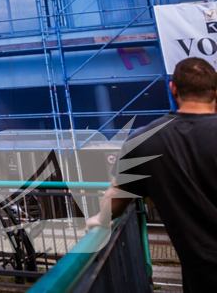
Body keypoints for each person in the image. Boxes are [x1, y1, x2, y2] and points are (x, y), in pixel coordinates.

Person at [86, 58, 217, 293]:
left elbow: (116, 196)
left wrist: (102, 220)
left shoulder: (144, 140)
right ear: (216, 92)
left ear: (173, 88)